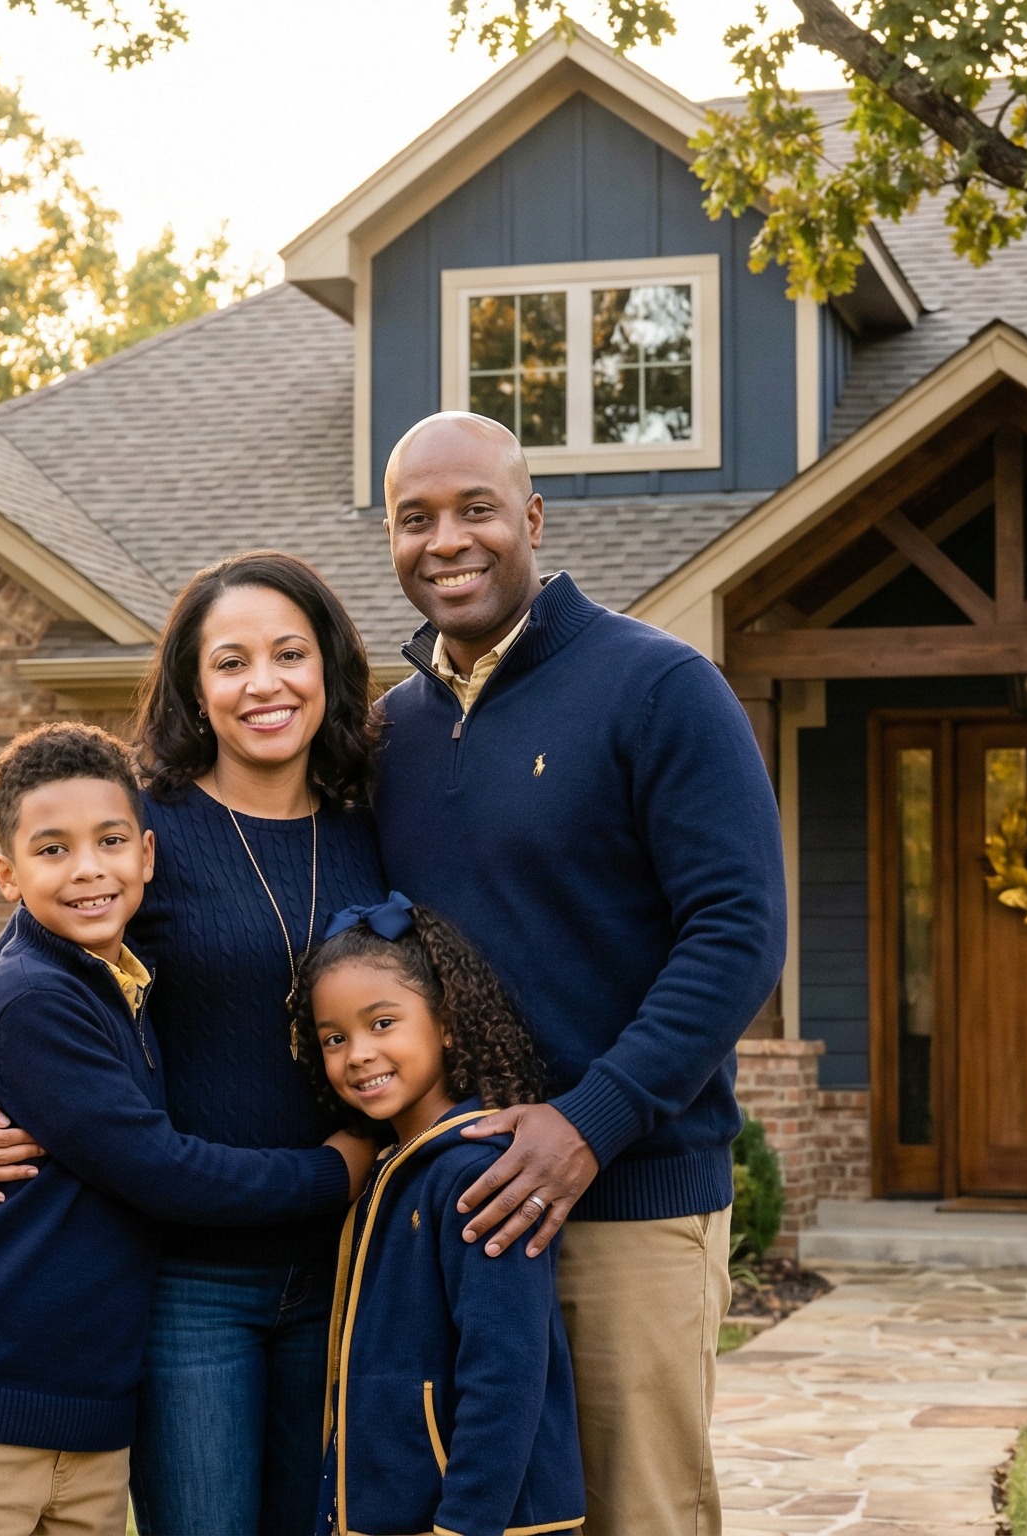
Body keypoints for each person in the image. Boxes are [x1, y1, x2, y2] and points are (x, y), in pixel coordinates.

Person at [0, 553, 389, 1536]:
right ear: (194, 687)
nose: (264, 684)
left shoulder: (372, 827)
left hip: (346, 1265)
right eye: (230, 661)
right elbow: (1, 973)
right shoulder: (139, 826)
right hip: (191, 1279)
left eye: (289, 654)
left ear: (328, 668)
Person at [373, 412, 788, 1536]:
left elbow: (738, 931)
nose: (445, 540)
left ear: (533, 519)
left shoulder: (658, 688)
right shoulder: (390, 735)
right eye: (415, 518)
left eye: (475, 510)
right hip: (447, 1217)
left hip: (626, 1208)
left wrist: (589, 1121)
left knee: (634, 1515)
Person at [299, 892, 582, 1536]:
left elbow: (506, 1371)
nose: (358, 1054)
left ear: (447, 1022)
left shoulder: (483, 1174)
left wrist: (464, 1526)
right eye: (334, 1038)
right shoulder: (392, 1168)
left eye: (382, 1023)